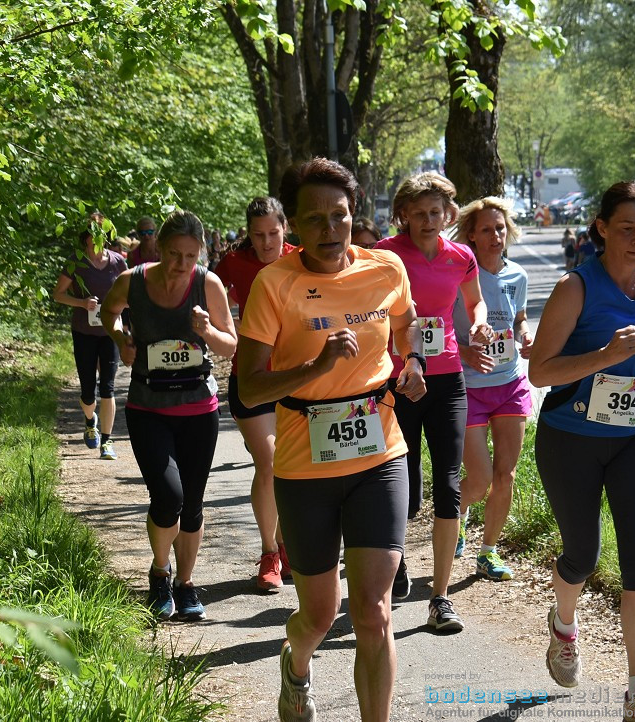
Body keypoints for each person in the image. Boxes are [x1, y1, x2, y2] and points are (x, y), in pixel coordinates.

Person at [236, 157, 426, 722]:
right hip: (304, 463)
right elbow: (248, 385)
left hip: (379, 452)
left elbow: (405, 318)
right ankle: (296, 661)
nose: (329, 229)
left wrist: (411, 358)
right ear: (293, 225)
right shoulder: (276, 284)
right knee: (319, 616)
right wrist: (316, 366)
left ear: (353, 215)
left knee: (373, 611)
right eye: (314, 219)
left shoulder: (385, 268)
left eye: (339, 216)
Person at [526, 181, 635, 722]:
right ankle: (564, 625)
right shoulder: (575, 288)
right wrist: (603, 355)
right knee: (582, 553)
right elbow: (540, 371)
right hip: (570, 439)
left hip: (633, 436)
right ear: (601, 229)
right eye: (628, 228)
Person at [100, 210, 238, 623]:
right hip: (149, 407)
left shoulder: (206, 283)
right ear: (159, 248)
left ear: (200, 254)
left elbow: (231, 345)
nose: (182, 264)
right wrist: (121, 337)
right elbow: (108, 312)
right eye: (175, 254)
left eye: (191, 256)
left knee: (192, 504)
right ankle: (160, 572)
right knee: (168, 496)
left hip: (199, 409)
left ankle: (186, 583)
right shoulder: (134, 281)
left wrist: (206, 331)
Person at [376, 172, 492, 633]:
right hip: (398, 379)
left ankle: (440, 598)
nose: (428, 221)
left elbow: (475, 302)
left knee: (447, 484)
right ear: (403, 213)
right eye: (419, 213)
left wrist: (478, 324)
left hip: (447, 380)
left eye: (437, 212)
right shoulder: (384, 254)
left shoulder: (461, 256)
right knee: (400, 482)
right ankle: (396, 559)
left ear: (449, 215)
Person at [214, 197, 297, 592]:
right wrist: (222, 329)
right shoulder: (234, 264)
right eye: (258, 235)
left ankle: (286, 546)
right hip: (251, 377)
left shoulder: (302, 259)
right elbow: (207, 293)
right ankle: (269, 553)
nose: (266, 243)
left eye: (273, 234)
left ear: (286, 228)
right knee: (269, 460)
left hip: (298, 377)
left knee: (290, 466)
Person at [451, 197, 533, 582]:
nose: (496, 235)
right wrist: (465, 350)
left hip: (510, 382)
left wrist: (524, 334)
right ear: (472, 234)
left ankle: (488, 552)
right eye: (487, 229)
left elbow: (519, 316)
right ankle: (458, 514)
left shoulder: (517, 275)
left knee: (506, 475)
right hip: (468, 386)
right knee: (480, 479)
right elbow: (440, 325)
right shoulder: (460, 274)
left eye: (500, 228)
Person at [52, 215, 129, 460]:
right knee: (88, 391)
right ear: (85, 238)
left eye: (101, 234)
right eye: (92, 234)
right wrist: (82, 303)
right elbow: (58, 294)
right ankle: (89, 420)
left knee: (107, 388)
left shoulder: (118, 262)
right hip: (84, 332)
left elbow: (130, 293)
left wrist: (122, 315)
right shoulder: (75, 262)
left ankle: (106, 442)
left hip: (110, 331)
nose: (97, 240)